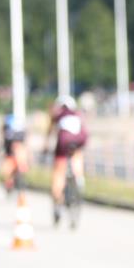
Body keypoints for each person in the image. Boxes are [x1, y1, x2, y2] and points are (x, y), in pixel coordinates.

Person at [48, 95, 88, 226]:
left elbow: (51, 132)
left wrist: (46, 146)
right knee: (77, 156)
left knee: (59, 173)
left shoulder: (58, 115)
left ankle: (57, 200)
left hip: (63, 144)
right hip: (79, 142)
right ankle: (79, 178)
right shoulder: (78, 114)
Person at [1, 113, 28, 196]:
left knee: (17, 169)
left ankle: (17, 184)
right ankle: (11, 184)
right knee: (8, 172)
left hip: (14, 154)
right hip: (10, 155)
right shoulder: (14, 132)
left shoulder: (12, 132)